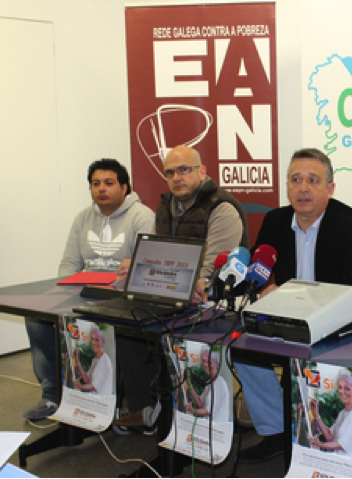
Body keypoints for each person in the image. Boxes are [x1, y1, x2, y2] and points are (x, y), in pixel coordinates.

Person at [234, 148, 352, 463]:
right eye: (295, 180)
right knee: (241, 350)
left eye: (313, 180)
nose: (303, 188)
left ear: (330, 188)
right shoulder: (275, 221)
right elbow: (258, 271)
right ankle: (276, 430)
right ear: (286, 187)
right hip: (286, 321)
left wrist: (292, 298)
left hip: (334, 326)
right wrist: (260, 288)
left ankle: (323, 442)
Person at [115, 145, 250, 429]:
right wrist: (138, 267)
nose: (177, 177)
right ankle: (148, 406)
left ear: (202, 172)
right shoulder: (165, 207)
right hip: (172, 292)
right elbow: (156, 254)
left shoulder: (222, 208)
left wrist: (161, 277)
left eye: (184, 170)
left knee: (168, 325)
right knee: (128, 321)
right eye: (170, 173)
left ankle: (189, 413)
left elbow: (211, 271)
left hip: (215, 301)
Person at [23, 159, 154, 421]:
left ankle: (117, 401)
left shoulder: (142, 217)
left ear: (124, 187)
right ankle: (52, 394)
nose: (101, 189)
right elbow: (69, 263)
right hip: (84, 292)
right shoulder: (83, 218)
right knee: (37, 320)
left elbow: (147, 267)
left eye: (109, 183)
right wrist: (62, 296)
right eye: (96, 184)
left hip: (120, 296)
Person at [309, 374, 352, 457]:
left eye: (347, 388)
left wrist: (321, 444)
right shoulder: (342, 413)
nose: (342, 392)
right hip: (342, 460)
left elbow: (343, 444)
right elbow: (330, 436)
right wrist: (316, 414)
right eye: (340, 387)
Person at [185, 350, 230, 423]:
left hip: (217, 426)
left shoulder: (220, 383)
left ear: (215, 364)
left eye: (209, 362)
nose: (206, 365)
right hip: (207, 424)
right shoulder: (209, 382)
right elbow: (200, 404)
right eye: (203, 361)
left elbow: (209, 411)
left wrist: (192, 410)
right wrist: (189, 384)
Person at [73, 326, 114, 396]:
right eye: (92, 339)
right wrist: (77, 361)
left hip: (102, 400)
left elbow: (95, 386)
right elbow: (87, 380)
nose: (94, 342)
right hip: (94, 398)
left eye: (97, 340)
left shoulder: (105, 361)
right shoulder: (95, 360)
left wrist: (80, 386)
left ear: (102, 343)